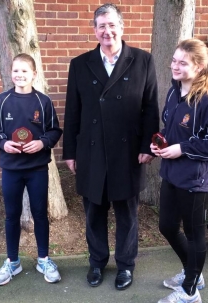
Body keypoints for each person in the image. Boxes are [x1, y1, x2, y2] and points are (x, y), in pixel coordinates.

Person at [62, 3, 159, 291]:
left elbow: (151, 108)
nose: (107, 31)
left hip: (128, 151)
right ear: (94, 30)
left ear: (122, 27)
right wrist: (70, 151)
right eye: (101, 26)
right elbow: (72, 111)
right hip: (91, 151)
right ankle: (96, 262)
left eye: (112, 24)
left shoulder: (142, 60)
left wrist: (148, 146)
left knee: (127, 213)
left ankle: (126, 265)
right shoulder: (80, 64)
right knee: (94, 212)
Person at [150, 38, 208, 303]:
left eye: (182, 63)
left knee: (195, 233)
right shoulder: (175, 92)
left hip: (196, 180)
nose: (175, 66)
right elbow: (169, 128)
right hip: (171, 174)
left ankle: (189, 292)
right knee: (167, 226)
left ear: (198, 67)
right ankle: (193, 273)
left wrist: (182, 148)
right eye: (174, 60)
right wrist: (161, 143)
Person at [0, 53, 63, 286]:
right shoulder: (1, 101)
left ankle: (43, 259)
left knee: (40, 214)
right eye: (16, 71)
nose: (20, 75)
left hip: (37, 168)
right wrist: (3, 143)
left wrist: (42, 142)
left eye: (25, 71)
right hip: (11, 168)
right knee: (12, 215)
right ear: (11, 73)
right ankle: (13, 261)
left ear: (34, 74)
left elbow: (54, 131)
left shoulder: (43, 102)